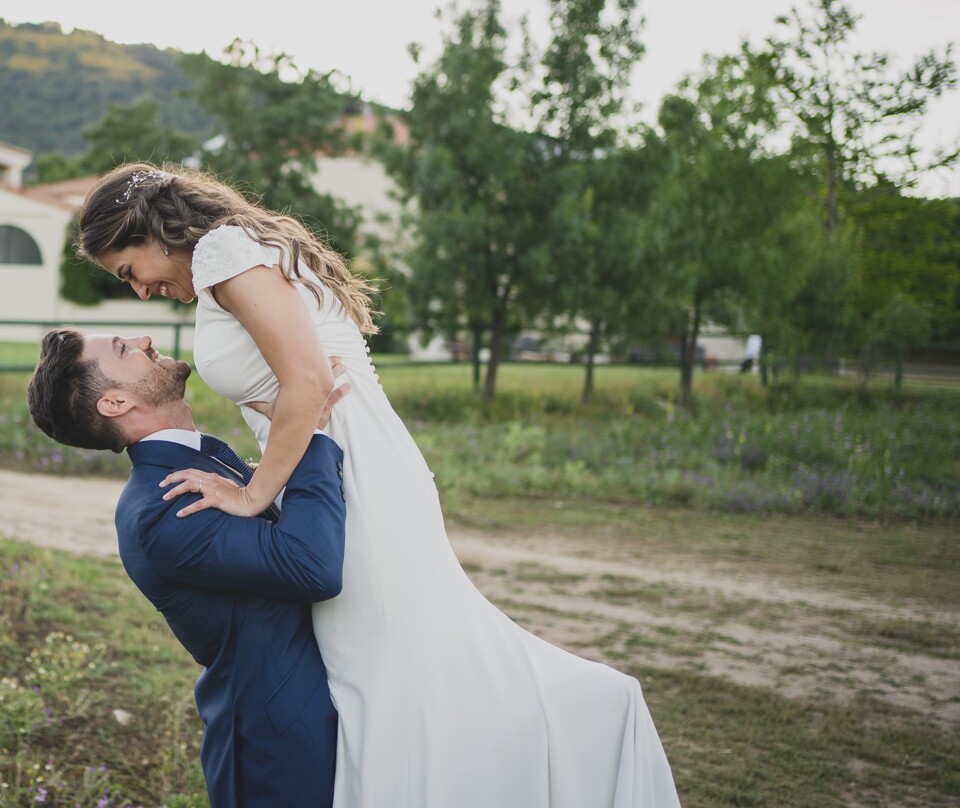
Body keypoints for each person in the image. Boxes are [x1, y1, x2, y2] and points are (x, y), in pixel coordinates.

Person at [74, 163, 683, 808]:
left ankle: (584, 736)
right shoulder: (232, 254)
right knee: (391, 668)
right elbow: (299, 382)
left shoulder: (223, 253)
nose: (139, 291)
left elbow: (310, 381)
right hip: (345, 462)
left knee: (388, 670)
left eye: (128, 270)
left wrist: (253, 496)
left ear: (147, 229)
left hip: (354, 469)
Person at [26, 327, 351, 808]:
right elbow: (311, 564)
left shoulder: (191, 462)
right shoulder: (163, 508)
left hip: (326, 715)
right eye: (123, 349)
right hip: (282, 751)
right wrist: (311, 433)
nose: (144, 339)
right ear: (115, 403)